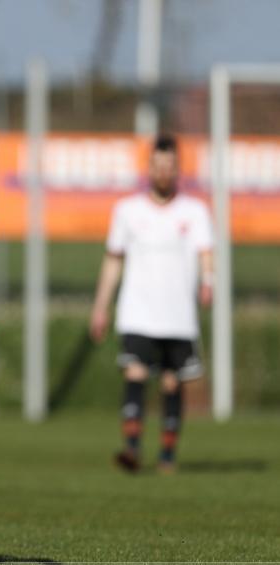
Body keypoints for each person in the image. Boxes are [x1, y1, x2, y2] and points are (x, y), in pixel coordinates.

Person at [90, 134, 214, 474]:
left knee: (172, 382)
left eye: (169, 166)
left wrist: (208, 282)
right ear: (149, 168)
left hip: (178, 314)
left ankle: (168, 456)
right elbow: (113, 260)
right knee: (135, 372)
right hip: (137, 312)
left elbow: (206, 253)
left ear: (177, 169)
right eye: (157, 165)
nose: (162, 172)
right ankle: (131, 449)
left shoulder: (195, 211)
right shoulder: (127, 211)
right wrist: (101, 306)